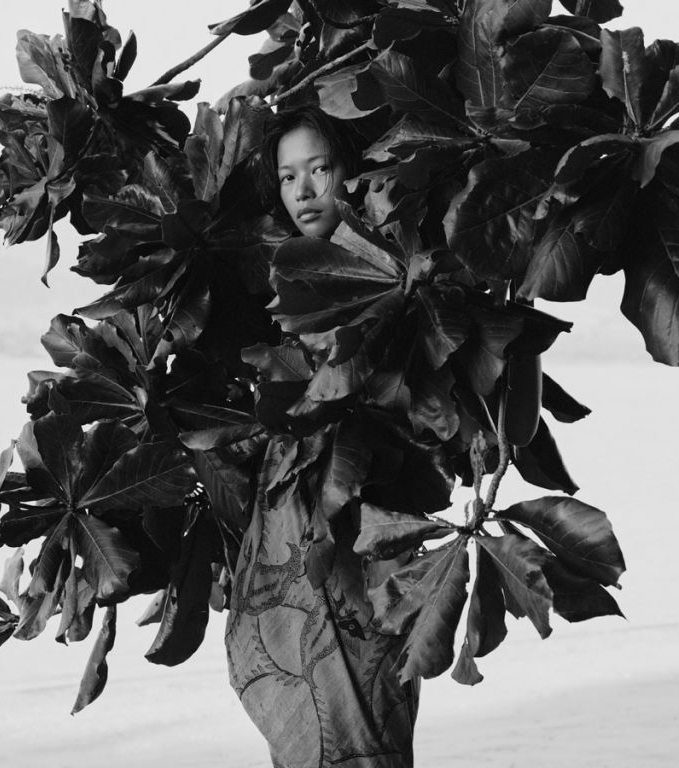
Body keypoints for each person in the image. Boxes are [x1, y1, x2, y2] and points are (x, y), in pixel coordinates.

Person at [225, 105, 419, 768]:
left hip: (367, 528)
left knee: (368, 723)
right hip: (285, 525)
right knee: (305, 729)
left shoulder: (400, 266)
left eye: (320, 168)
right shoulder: (278, 279)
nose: (305, 190)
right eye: (288, 177)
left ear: (348, 170)